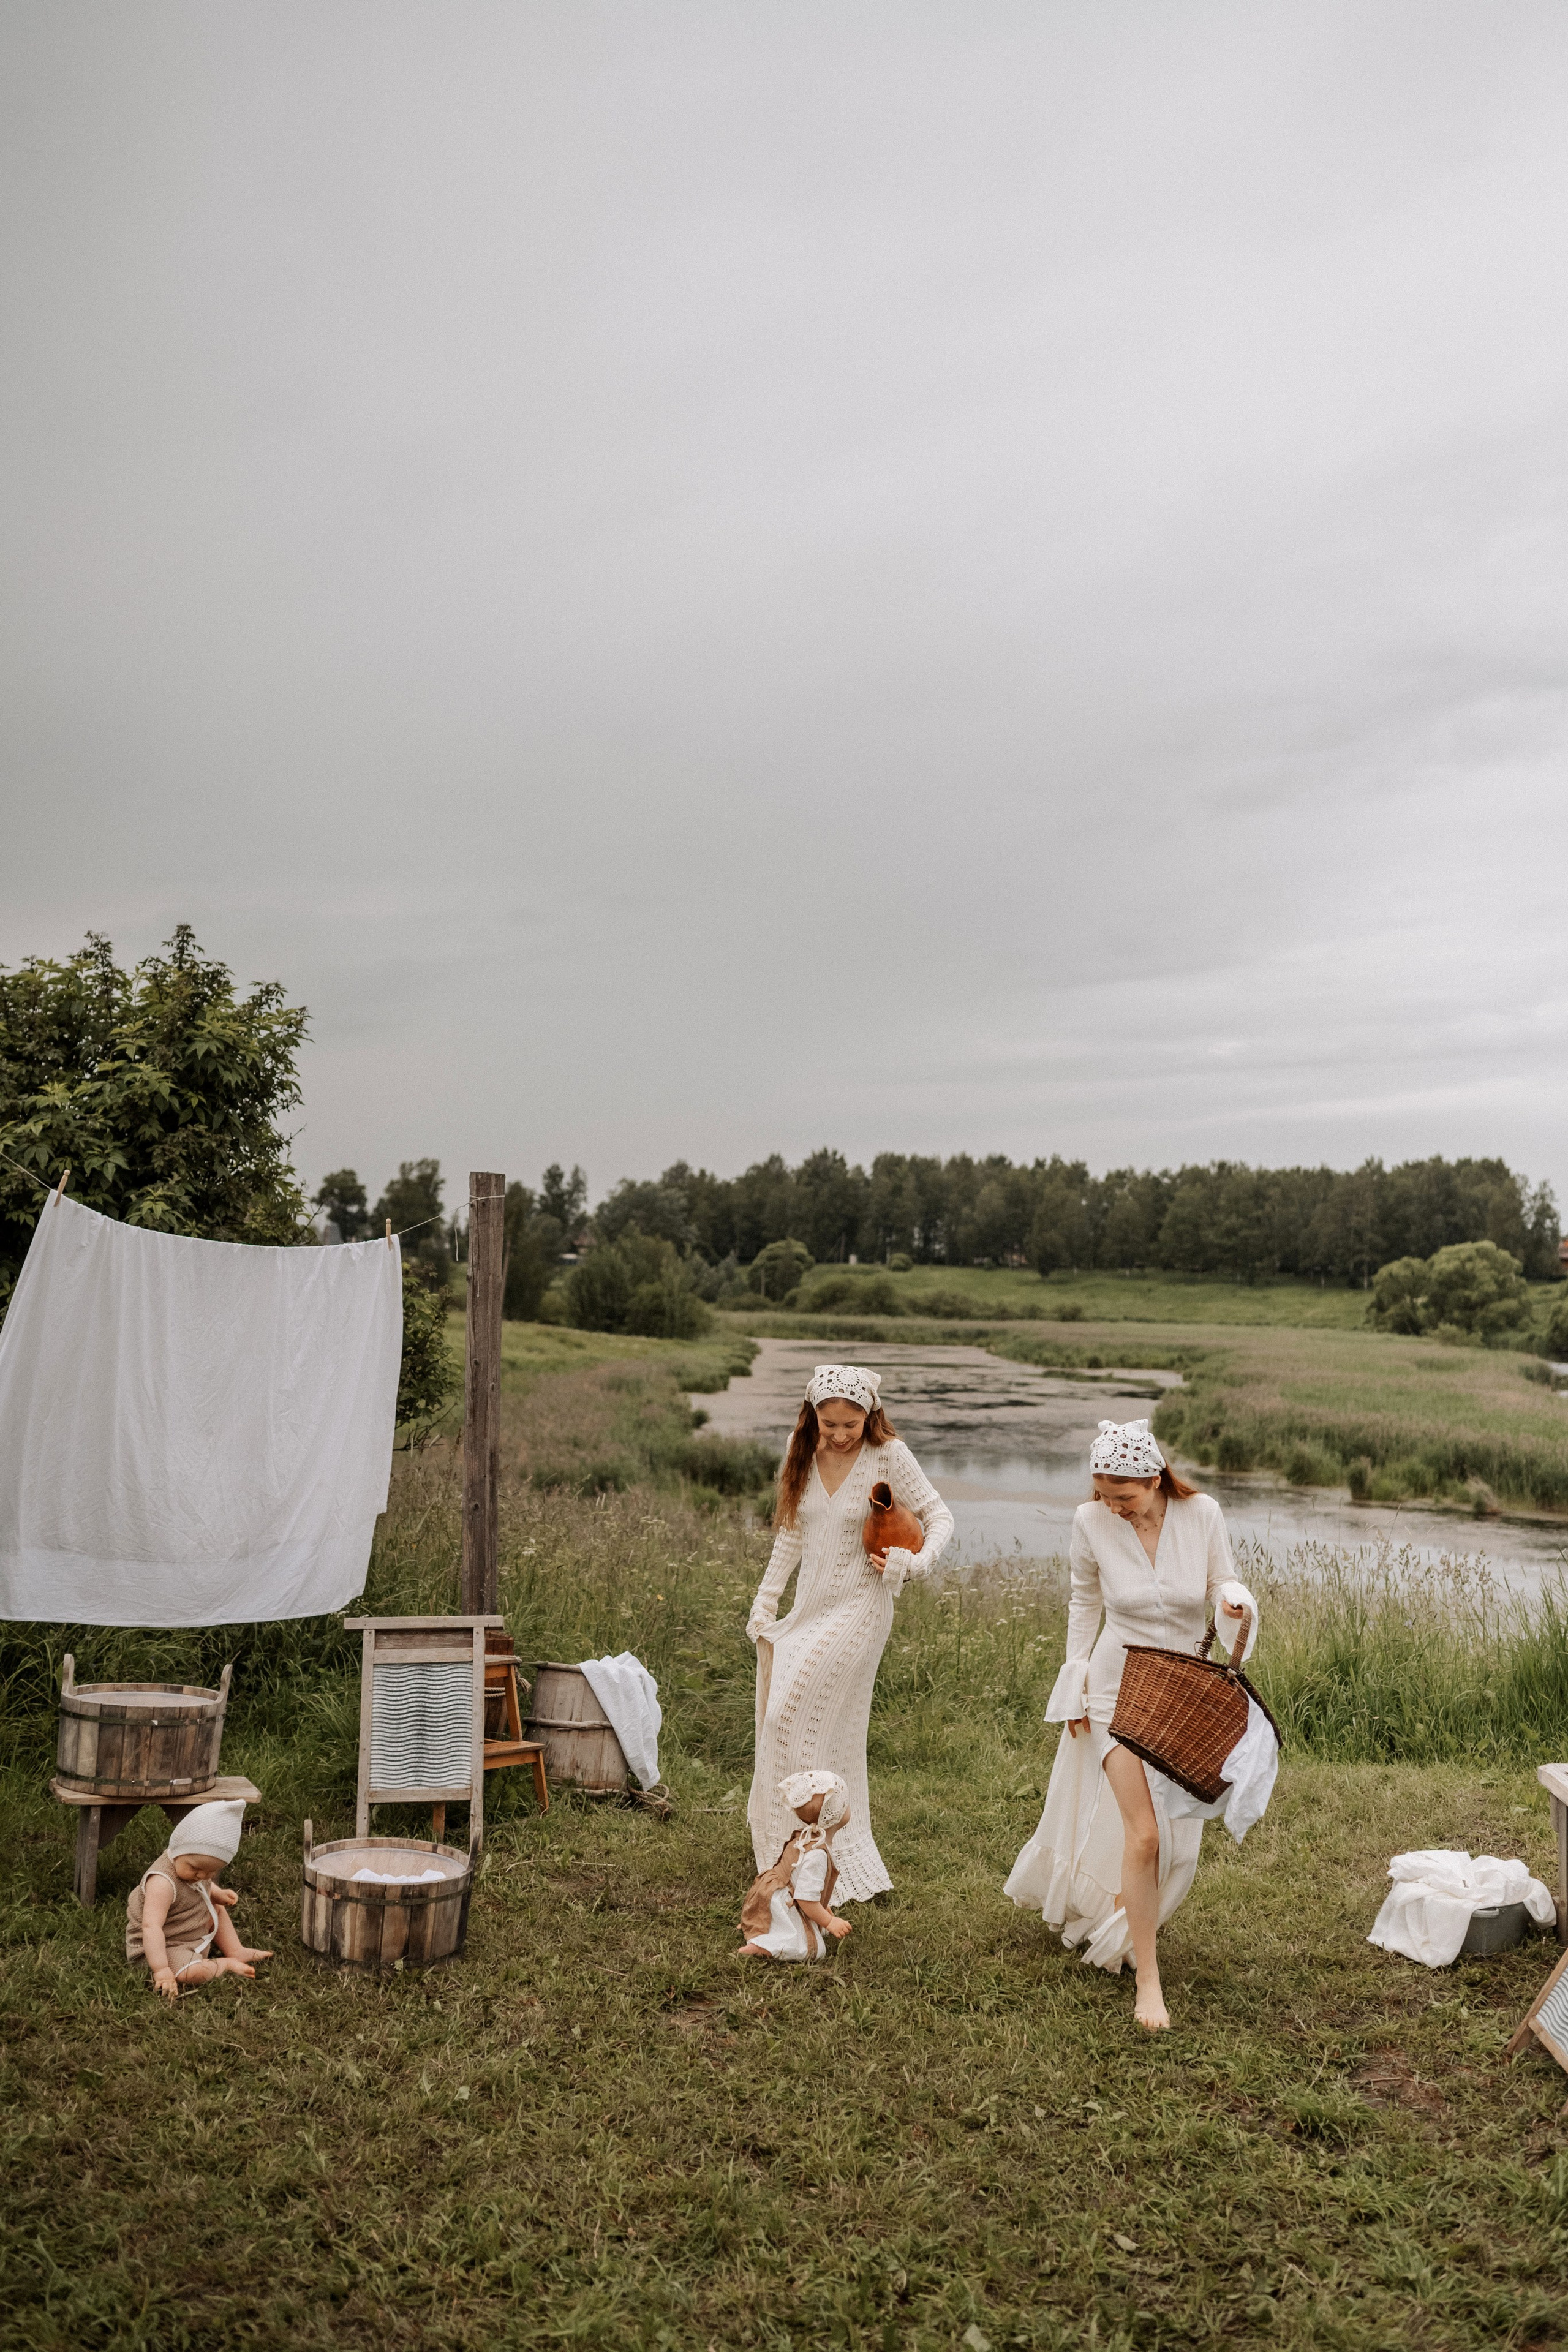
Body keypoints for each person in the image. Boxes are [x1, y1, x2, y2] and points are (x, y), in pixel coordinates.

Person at [1004, 1418, 1259, 2030]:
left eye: (1124, 1496)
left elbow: (1221, 1577)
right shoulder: (1090, 1521)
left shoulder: (1202, 1514)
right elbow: (1083, 1601)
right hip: (1113, 1688)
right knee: (1142, 1835)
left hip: (1180, 1688)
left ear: (1153, 1479)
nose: (1112, 1509)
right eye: (1102, 1495)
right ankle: (1149, 1979)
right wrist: (1072, 1682)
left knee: (1177, 1844)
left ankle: (1127, 1913)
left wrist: (1231, 1600)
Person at [746, 1363, 954, 1901]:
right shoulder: (800, 1451)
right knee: (798, 1724)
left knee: (793, 1712)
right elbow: (790, 1535)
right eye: (828, 1423)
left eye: (850, 1424)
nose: (838, 1435)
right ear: (812, 1415)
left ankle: (815, 1859)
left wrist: (915, 1564)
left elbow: (940, 1517)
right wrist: (765, 1600)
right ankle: (800, 1853)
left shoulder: (889, 1456)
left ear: (871, 1415)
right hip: (808, 1609)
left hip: (863, 1607)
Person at [125, 1798, 273, 2002]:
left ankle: (235, 1950)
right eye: (195, 1869)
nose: (201, 1876)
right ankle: (225, 1964)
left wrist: (216, 1893)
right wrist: (161, 1969)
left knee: (217, 1907)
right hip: (163, 1945)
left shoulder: (196, 1871)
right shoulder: (162, 1883)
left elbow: (202, 1885)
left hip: (188, 1929)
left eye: (211, 1871)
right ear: (178, 1849)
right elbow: (151, 1927)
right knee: (188, 1974)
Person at [738, 1770, 853, 1960]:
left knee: (813, 1921)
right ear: (834, 1816)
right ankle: (764, 1946)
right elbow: (806, 1901)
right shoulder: (818, 1856)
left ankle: (760, 1926)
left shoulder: (807, 1836)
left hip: (770, 1893)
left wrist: (823, 1908)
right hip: (785, 1903)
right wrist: (830, 1921)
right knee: (811, 1949)